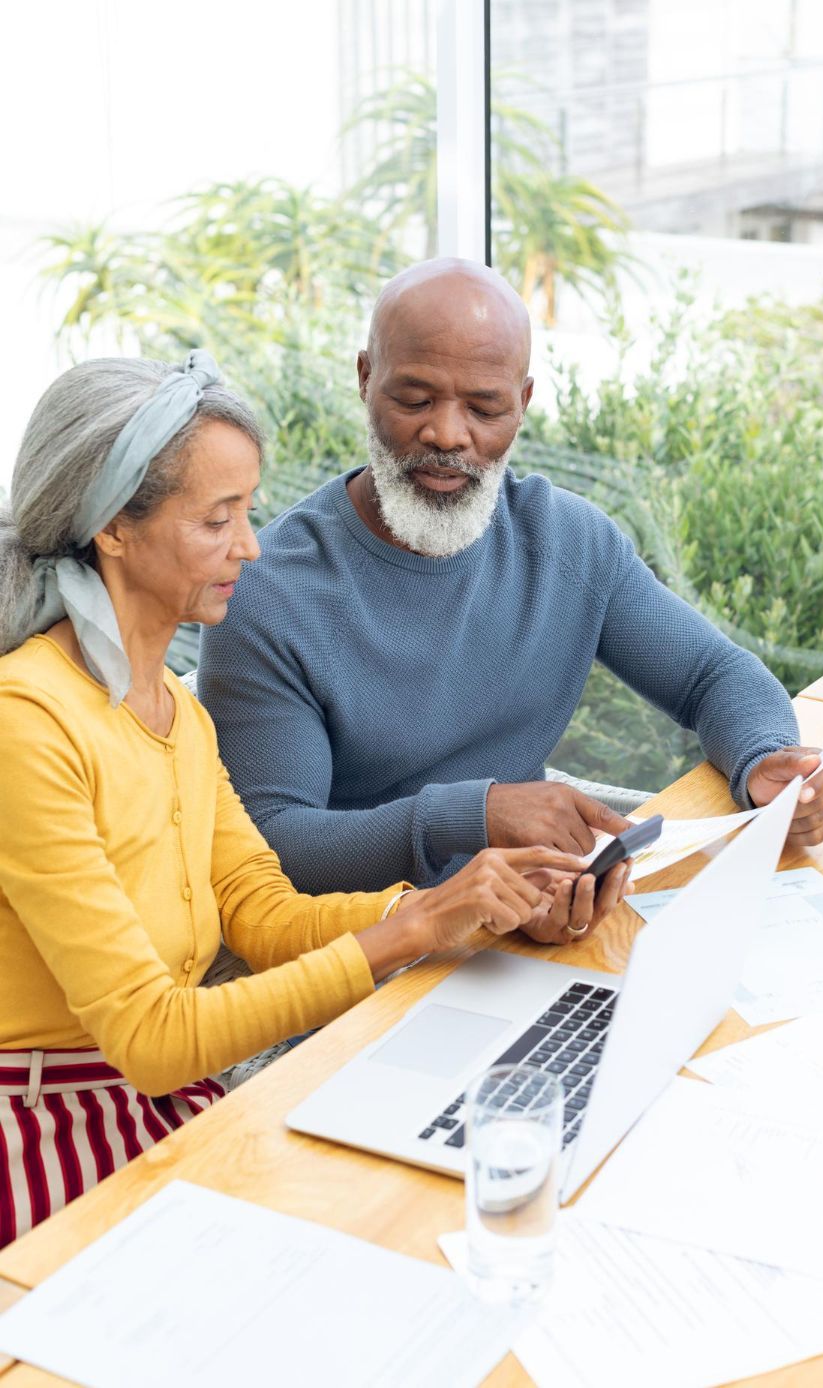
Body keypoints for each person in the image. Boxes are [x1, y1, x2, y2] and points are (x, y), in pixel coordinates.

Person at [0, 352, 607, 1246]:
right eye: (218, 519)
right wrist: (408, 933)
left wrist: (442, 909)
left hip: (164, 1109)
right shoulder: (30, 725)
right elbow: (152, 1035)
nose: (251, 545)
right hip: (46, 1136)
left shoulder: (176, 710)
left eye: (248, 511)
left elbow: (263, 911)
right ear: (113, 529)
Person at [199, 259, 823, 935]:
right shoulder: (268, 591)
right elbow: (275, 845)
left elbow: (715, 674)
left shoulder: (567, 542)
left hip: (525, 927)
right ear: (365, 379)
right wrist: (472, 818)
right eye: (414, 399)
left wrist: (767, 759)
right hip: (367, 959)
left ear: (524, 402)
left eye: (484, 407)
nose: (447, 434)